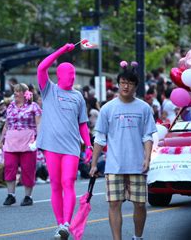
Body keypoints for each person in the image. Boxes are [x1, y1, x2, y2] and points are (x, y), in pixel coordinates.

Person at [89, 61, 156, 240]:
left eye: (130, 83)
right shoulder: (107, 108)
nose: (126, 86)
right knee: (114, 203)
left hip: (137, 164)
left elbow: (147, 136)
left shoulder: (144, 108)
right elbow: (100, 138)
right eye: (123, 82)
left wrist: (147, 159)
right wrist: (94, 163)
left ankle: (137, 237)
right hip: (114, 165)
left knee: (140, 204)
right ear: (118, 84)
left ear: (135, 86)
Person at [36, 43, 93, 239]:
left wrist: (89, 145)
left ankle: (67, 224)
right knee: (55, 185)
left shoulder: (78, 97)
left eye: (74, 74)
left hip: (71, 147)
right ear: (60, 75)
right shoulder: (48, 90)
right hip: (51, 146)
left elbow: (83, 124)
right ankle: (60, 223)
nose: (72, 77)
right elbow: (41, 68)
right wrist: (62, 50)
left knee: (68, 182)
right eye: (69, 74)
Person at [0, 83, 42, 206]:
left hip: (28, 141)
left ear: (24, 93)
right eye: (14, 91)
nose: (15, 93)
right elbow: (7, 124)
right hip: (11, 141)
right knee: (9, 166)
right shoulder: (10, 107)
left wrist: (38, 139)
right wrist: (1, 139)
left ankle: (28, 196)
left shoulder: (34, 107)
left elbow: (39, 123)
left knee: (28, 169)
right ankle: (10, 195)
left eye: (17, 91)